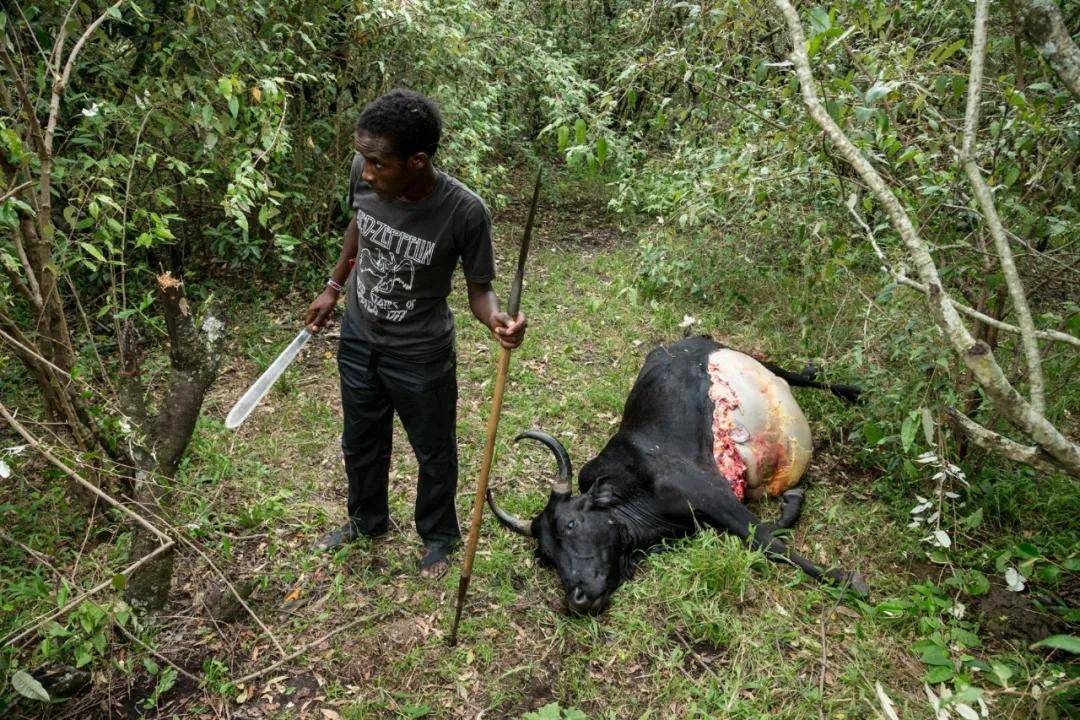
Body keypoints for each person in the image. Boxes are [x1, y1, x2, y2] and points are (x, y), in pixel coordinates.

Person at [305, 89, 526, 578]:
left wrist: (498, 322)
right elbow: (358, 226)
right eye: (363, 159)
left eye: (378, 163)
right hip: (359, 339)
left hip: (420, 353)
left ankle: (439, 537)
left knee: (433, 450)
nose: (365, 172)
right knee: (360, 440)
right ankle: (367, 521)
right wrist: (333, 286)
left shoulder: (464, 212)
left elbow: (480, 293)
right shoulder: (365, 176)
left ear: (417, 161)